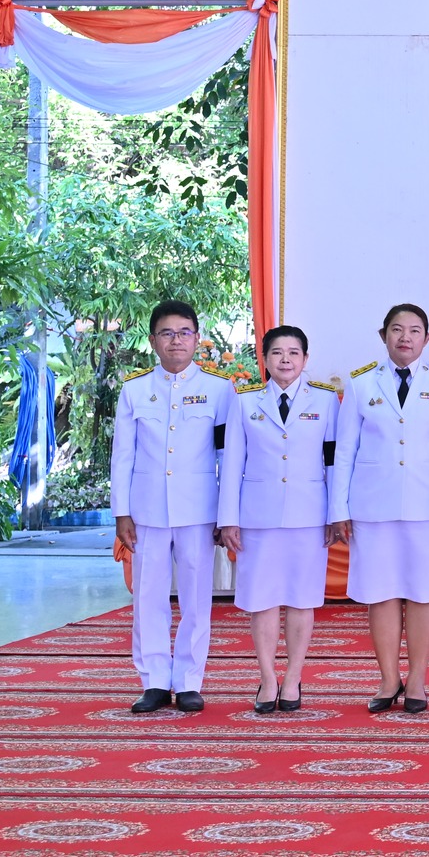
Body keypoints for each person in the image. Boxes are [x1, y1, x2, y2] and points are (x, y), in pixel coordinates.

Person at [329, 303, 429, 714]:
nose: (405, 337)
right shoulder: (360, 385)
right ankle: (389, 679)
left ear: (427, 338)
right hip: (373, 506)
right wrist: (339, 507)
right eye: (397, 329)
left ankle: (419, 680)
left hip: (428, 506)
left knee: (424, 595)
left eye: (414, 330)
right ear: (383, 334)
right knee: (381, 594)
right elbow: (344, 451)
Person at [110, 301, 238, 714]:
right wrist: (121, 512)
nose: (176, 340)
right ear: (153, 341)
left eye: (184, 332)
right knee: (148, 598)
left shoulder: (220, 390)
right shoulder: (135, 389)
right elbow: (122, 456)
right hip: (146, 510)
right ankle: (152, 681)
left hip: (199, 510)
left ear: (197, 339)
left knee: (197, 598)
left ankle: (188, 681)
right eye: (167, 333)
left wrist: (227, 513)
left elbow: (229, 458)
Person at [219, 324, 340, 714]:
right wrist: (228, 519)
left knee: (303, 600)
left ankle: (294, 677)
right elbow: (232, 462)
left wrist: (337, 513)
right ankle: (268, 677)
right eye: (276, 353)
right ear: (265, 359)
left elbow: (333, 462)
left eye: (293, 353)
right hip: (258, 516)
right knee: (263, 601)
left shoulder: (325, 402)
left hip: (309, 516)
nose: (285, 360)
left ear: (306, 359)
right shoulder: (245, 402)